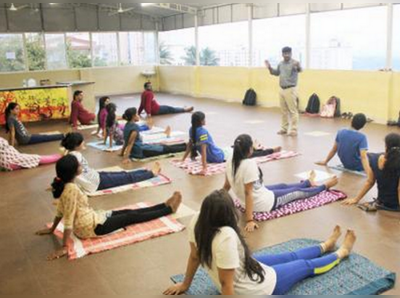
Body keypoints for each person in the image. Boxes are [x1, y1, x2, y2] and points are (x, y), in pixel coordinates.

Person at [163, 189, 357, 295]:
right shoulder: (226, 238)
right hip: (258, 289)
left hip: (244, 269)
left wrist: (186, 285)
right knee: (304, 266)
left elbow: (194, 255)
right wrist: (186, 284)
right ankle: (341, 253)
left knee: (288, 256)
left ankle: (326, 245)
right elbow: (226, 286)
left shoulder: (198, 219)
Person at [36, 154, 182, 261]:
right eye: (79, 165)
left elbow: (60, 211)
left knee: (127, 212)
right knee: (130, 217)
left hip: (92, 219)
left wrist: (52, 229)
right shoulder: (71, 189)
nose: (82, 167)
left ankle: (164, 204)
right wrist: (64, 246)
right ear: (74, 172)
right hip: (92, 227)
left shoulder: (66, 187)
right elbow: (67, 220)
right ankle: (169, 209)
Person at [223, 134, 338, 232]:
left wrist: (219, 198)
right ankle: (324, 186)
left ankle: (308, 182)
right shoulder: (249, 165)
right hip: (264, 204)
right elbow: (248, 193)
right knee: (297, 193)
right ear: (249, 150)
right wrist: (249, 220)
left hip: (258, 195)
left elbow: (227, 186)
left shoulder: (230, 160)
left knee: (282, 186)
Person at [182, 112, 281, 175]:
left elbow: (190, 145)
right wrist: (204, 168)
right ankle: (271, 150)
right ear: (200, 121)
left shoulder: (192, 129)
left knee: (235, 146)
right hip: (220, 157)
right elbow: (203, 151)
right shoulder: (203, 132)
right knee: (248, 153)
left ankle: (254, 146)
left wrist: (183, 159)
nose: (205, 120)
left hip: (217, 153)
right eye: (204, 119)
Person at [61, 132, 161, 194]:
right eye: (82, 142)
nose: (84, 143)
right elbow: (70, 175)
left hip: (95, 176)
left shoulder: (72, 155)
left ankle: (144, 171)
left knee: (123, 174)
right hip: (96, 183)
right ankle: (151, 173)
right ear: (76, 145)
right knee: (126, 178)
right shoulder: (74, 157)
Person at [342, 133, 400, 211]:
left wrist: (356, 199)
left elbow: (370, 182)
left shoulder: (375, 159)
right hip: (395, 205)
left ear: (386, 146)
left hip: (382, 202)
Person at [122, 107, 186, 163]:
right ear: (133, 116)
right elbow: (130, 143)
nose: (138, 115)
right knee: (166, 149)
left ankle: (185, 145)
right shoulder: (134, 128)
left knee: (164, 147)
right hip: (141, 151)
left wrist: (122, 153)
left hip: (139, 149)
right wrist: (125, 158)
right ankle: (186, 147)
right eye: (136, 114)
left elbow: (126, 141)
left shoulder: (127, 125)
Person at [265, 47, 302, 137]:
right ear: (282, 54)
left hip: (291, 89)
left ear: (291, 53)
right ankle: (284, 129)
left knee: (293, 111)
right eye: (285, 53)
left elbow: (300, 70)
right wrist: (269, 68)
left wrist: (298, 66)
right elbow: (276, 73)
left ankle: (294, 130)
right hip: (282, 89)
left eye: (288, 53)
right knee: (283, 111)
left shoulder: (294, 63)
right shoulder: (280, 64)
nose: (286, 55)